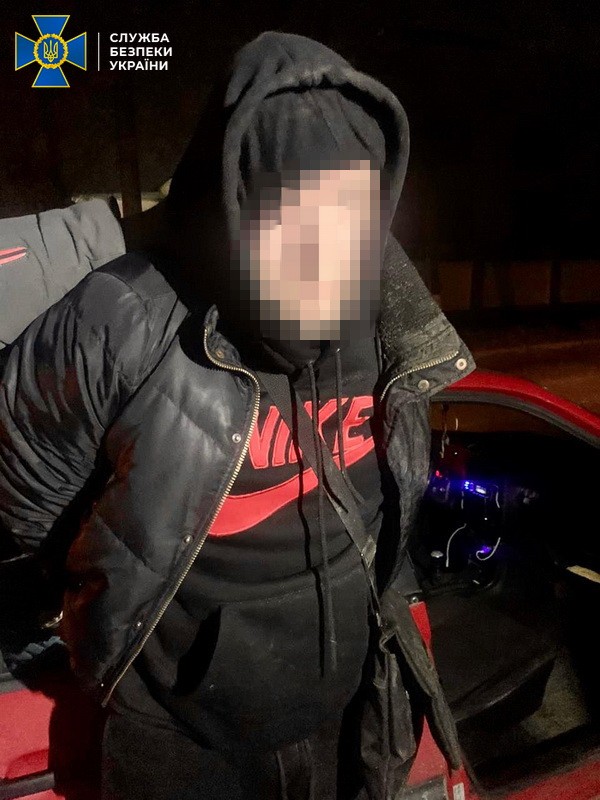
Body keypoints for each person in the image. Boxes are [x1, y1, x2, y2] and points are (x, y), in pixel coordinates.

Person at [0, 31, 475, 800]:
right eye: (292, 212)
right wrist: (112, 597)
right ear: (235, 205)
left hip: (344, 718)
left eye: (350, 212)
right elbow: (26, 490)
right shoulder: (121, 319)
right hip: (183, 747)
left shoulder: (387, 315)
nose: (326, 249)